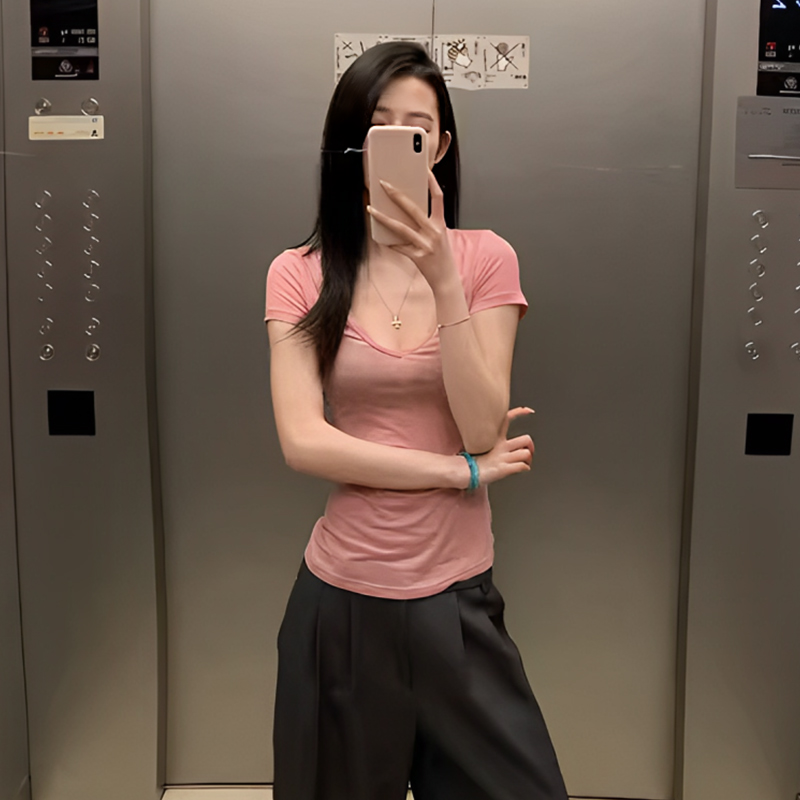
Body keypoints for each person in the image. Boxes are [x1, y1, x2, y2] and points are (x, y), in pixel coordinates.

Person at [265, 41, 568, 800]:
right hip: (340, 606)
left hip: (459, 605)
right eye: (381, 126)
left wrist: (442, 276)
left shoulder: (485, 258)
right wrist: (459, 473)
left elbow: (481, 427)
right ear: (351, 145)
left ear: (441, 146)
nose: (401, 141)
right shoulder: (298, 273)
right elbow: (303, 441)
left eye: (419, 129)